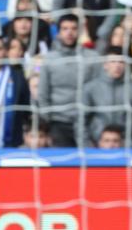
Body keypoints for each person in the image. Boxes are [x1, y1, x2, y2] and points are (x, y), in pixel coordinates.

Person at [38, 14, 98, 148]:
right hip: (58, 122)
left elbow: (98, 91)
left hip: (87, 122)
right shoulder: (49, 59)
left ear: (80, 31)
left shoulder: (92, 58)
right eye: (65, 29)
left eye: (73, 28)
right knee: (62, 166)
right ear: (58, 32)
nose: (69, 33)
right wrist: (49, 118)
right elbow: (43, 92)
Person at [82, 47, 132, 147]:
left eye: (121, 62)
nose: (117, 66)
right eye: (113, 61)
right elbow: (81, 122)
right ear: (105, 65)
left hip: (130, 147)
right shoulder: (90, 89)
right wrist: (89, 146)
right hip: (96, 147)